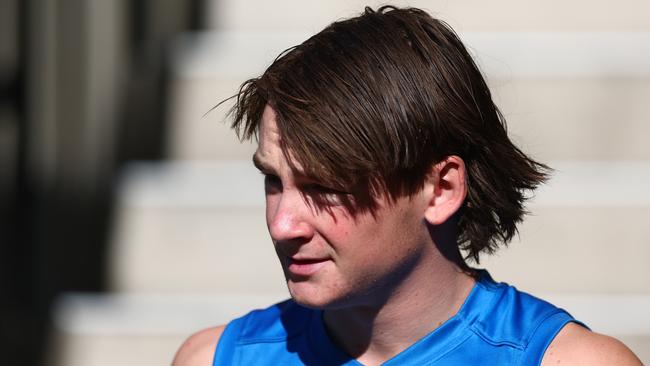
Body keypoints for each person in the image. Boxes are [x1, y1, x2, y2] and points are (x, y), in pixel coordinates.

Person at [173, 6, 642, 365]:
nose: (282, 224)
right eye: (273, 180)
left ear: (440, 189)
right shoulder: (217, 357)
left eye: (327, 186)